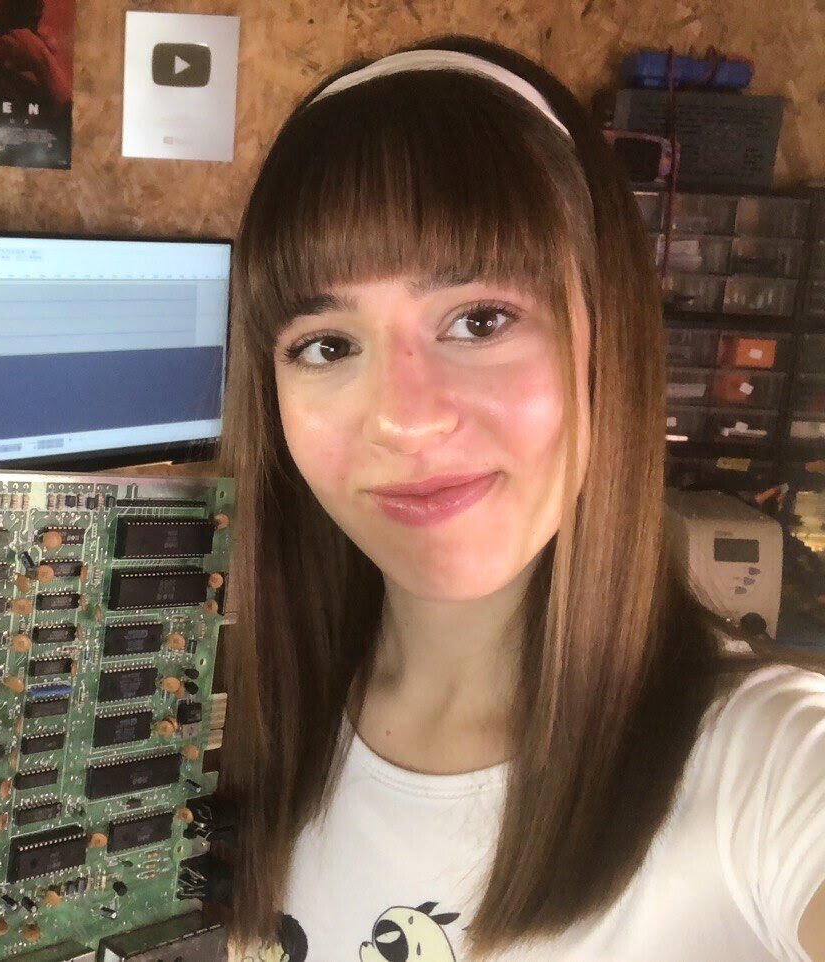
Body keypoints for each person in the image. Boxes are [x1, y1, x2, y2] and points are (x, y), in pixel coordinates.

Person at [215, 35, 825, 962]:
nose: (404, 420)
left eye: (481, 319)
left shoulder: (768, 766)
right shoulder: (241, 729)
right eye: (327, 346)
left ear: (604, 341)